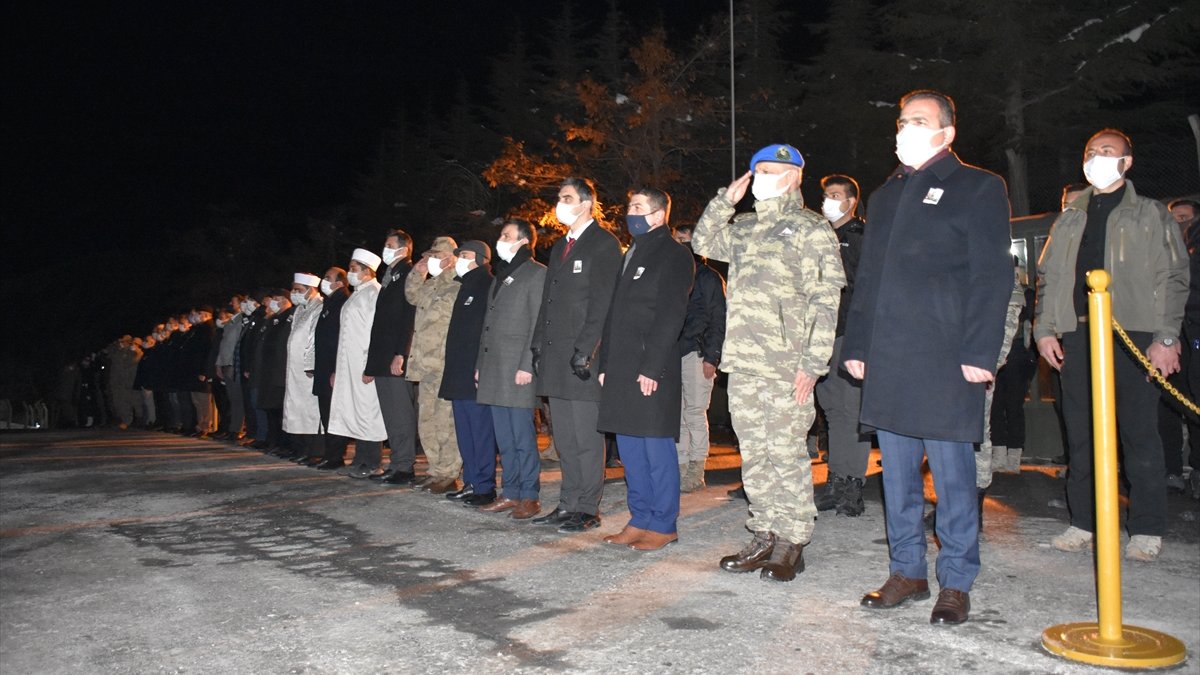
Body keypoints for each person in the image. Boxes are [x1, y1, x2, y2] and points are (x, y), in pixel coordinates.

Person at [843, 90, 1012, 624]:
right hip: (891, 357)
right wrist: (858, 345)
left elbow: (993, 275)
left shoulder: (978, 186)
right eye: (902, 121)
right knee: (897, 477)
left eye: (919, 120)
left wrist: (981, 350)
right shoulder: (886, 195)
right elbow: (869, 279)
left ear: (947, 131)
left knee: (953, 478)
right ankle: (907, 571)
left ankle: (956, 580)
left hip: (947, 358)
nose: (906, 128)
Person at [693, 143, 845, 582]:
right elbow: (703, 241)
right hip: (744, 361)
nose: (763, 177)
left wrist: (812, 362)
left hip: (786, 364)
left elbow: (825, 300)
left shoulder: (811, 228)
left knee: (786, 452)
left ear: (794, 176)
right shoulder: (744, 227)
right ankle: (764, 532)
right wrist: (725, 201)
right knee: (755, 453)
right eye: (757, 170)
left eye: (772, 171)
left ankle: (792, 540)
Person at [1038, 128, 1188, 561]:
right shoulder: (1070, 216)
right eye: (1092, 151)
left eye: (1108, 151)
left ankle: (1146, 527)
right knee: (1081, 432)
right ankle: (1083, 521)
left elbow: (1173, 277)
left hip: (1132, 332)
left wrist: (1165, 337)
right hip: (1078, 332)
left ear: (1127, 162)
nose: (1097, 157)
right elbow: (1049, 277)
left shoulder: (1150, 213)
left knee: (1138, 432)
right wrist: (1044, 329)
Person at [597, 188, 695, 550]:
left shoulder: (674, 254)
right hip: (621, 367)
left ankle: (663, 523)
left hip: (650, 367)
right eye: (630, 206)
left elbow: (671, 315)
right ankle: (639, 518)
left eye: (638, 207)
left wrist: (652, 367)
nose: (631, 213)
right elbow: (614, 314)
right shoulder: (633, 252)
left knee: (655, 448)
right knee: (630, 449)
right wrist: (605, 363)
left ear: (658, 215)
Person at [530, 177, 622, 533]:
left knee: (586, 437)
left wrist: (586, 351)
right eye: (559, 197)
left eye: (567, 198)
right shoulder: (560, 246)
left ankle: (587, 507)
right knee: (564, 439)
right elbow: (548, 302)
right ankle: (567, 502)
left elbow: (602, 304)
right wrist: (538, 344)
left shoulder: (604, 243)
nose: (560, 204)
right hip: (555, 358)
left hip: (583, 359)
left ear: (586, 203)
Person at [475, 219, 547, 519]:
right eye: (501, 235)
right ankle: (511, 491)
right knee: (504, 438)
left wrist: (528, 364)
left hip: (518, 368)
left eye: (507, 235)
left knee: (522, 436)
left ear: (524, 241)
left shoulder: (537, 273)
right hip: (495, 368)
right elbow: (488, 324)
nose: (501, 240)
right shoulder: (501, 276)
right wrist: (480, 365)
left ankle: (529, 495)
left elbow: (538, 322)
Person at [812, 173, 870, 517]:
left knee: (852, 410)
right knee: (832, 410)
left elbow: (865, 289)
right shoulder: (820, 236)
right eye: (826, 195)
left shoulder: (861, 237)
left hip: (848, 333)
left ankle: (853, 483)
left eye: (835, 195)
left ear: (851, 201)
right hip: (821, 335)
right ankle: (836, 478)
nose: (828, 201)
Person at [439, 241, 498, 507]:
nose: (459, 260)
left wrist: (481, 365)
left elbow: (486, 331)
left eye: (463, 255)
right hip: (458, 372)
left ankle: (485, 486)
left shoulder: (487, 285)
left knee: (481, 431)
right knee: (465, 432)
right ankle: (471, 482)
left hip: (475, 372)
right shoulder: (465, 286)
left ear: (480, 258)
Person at [405, 237, 463, 493]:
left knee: (445, 422)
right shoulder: (430, 285)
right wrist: (417, 273)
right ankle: (435, 469)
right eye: (429, 256)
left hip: (443, 365)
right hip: (424, 365)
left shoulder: (458, 285)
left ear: (450, 259)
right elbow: (412, 296)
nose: (430, 260)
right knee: (426, 421)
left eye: (436, 256)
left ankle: (449, 473)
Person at [672, 225, 726, 493]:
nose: (680, 244)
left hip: (698, 351)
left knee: (694, 411)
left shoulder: (708, 277)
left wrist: (712, 357)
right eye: (677, 240)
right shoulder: (675, 275)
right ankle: (681, 465)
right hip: (676, 352)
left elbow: (719, 319)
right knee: (678, 413)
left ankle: (696, 468)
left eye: (685, 240)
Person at [364, 229, 419, 485]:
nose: (384, 249)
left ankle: (404, 466)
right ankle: (397, 463)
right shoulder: (391, 276)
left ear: (403, 248)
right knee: (391, 415)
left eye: (389, 245)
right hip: (383, 357)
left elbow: (408, 317)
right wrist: (372, 364)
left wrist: (401, 353)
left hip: (395, 357)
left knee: (400, 414)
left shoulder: (408, 273)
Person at [328, 249, 389, 479]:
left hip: (364, 364)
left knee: (368, 412)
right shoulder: (356, 294)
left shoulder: (374, 292)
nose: (350, 273)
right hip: (349, 365)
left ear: (367, 270)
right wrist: (338, 369)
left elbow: (376, 332)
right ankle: (360, 458)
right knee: (355, 411)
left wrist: (370, 365)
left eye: (353, 269)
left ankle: (372, 462)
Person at [310, 268, 351, 470]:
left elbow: (341, 338)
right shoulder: (330, 302)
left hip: (333, 368)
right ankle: (330, 454)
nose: (324, 281)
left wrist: (337, 368)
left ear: (340, 283)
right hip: (323, 367)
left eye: (328, 278)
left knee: (334, 413)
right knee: (326, 411)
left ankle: (336, 456)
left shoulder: (342, 301)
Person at [281, 274, 324, 462]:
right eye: (294, 289)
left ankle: (314, 451)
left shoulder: (319, 307)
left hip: (308, 369)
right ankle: (299, 448)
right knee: (296, 407)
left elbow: (314, 338)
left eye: (298, 289)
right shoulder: (299, 309)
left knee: (310, 409)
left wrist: (310, 364)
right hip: (294, 369)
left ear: (310, 289)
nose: (294, 293)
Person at [258, 292, 296, 454]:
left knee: (280, 410)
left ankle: (284, 443)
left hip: (280, 371)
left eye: (277, 299)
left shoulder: (289, 316)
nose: (273, 302)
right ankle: (272, 440)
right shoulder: (273, 319)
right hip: (269, 371)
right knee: (270, 408)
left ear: (286, 301)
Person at [213, 295, 247, 440]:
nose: (230, 304)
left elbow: (237, 344)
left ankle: (236, 429)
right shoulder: (230, 322)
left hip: (234, 364)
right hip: (226, 364)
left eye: (233, 302)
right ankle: (232, 428)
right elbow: (224, 345)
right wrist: (219, 364)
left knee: (237, 399)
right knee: (232, 399)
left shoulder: (242, 320)